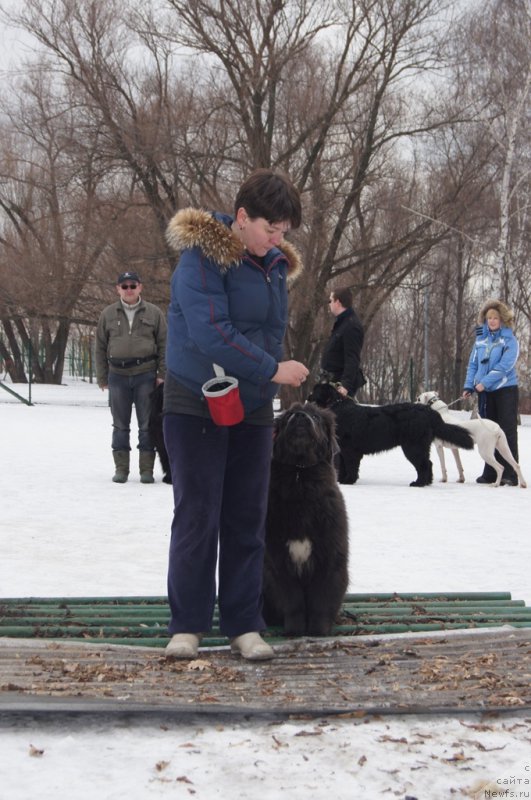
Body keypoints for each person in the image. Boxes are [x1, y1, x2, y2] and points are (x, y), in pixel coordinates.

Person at [163, 169, 308, 662]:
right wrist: (275, 368)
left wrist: (269, 376)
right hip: (194, 403)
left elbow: (266, 332)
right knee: (198, 514)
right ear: (243, 218)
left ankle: (245, 623)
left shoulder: (273, 268)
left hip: (251, 407)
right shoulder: (201, 258)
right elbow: (212, 331)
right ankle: (187, 625)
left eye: (284, 233)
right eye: (271, 229)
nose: (277, 240)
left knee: (248, 517)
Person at [96, 271, 167, 484]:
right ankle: (121, 469)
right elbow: (100, 347)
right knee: (120, 425)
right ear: (118, 289)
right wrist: (102, 377)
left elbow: (164, 344)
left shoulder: (154, 313)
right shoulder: (107, 314)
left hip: (145, 374)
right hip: (117, 375)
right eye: (124, 286)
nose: (129, 290)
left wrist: (161, 375)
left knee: (147, 424)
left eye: (132, 285)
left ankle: (146, 470)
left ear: (140, 287)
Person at [462, 299, 520, 486]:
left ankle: (510, 474)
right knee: (487, 431)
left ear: (502, 319)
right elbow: (473, 364)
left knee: (506, 431)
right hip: (484, 392)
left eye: (495, 318)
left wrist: (484, 383)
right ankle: (490, 472)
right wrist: (469, 385)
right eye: (489, 318)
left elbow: (505, 366)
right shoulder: (481, 339)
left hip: (505, 391)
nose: (492, 321)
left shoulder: (509, 339)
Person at [320, 287, 365, 397]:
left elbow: (352, 358)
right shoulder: (342, 323)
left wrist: (345, 385)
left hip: (340, 385)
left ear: (338, 302)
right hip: (332, 381)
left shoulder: (351, 325)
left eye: (330, 301)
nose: (329, 304)